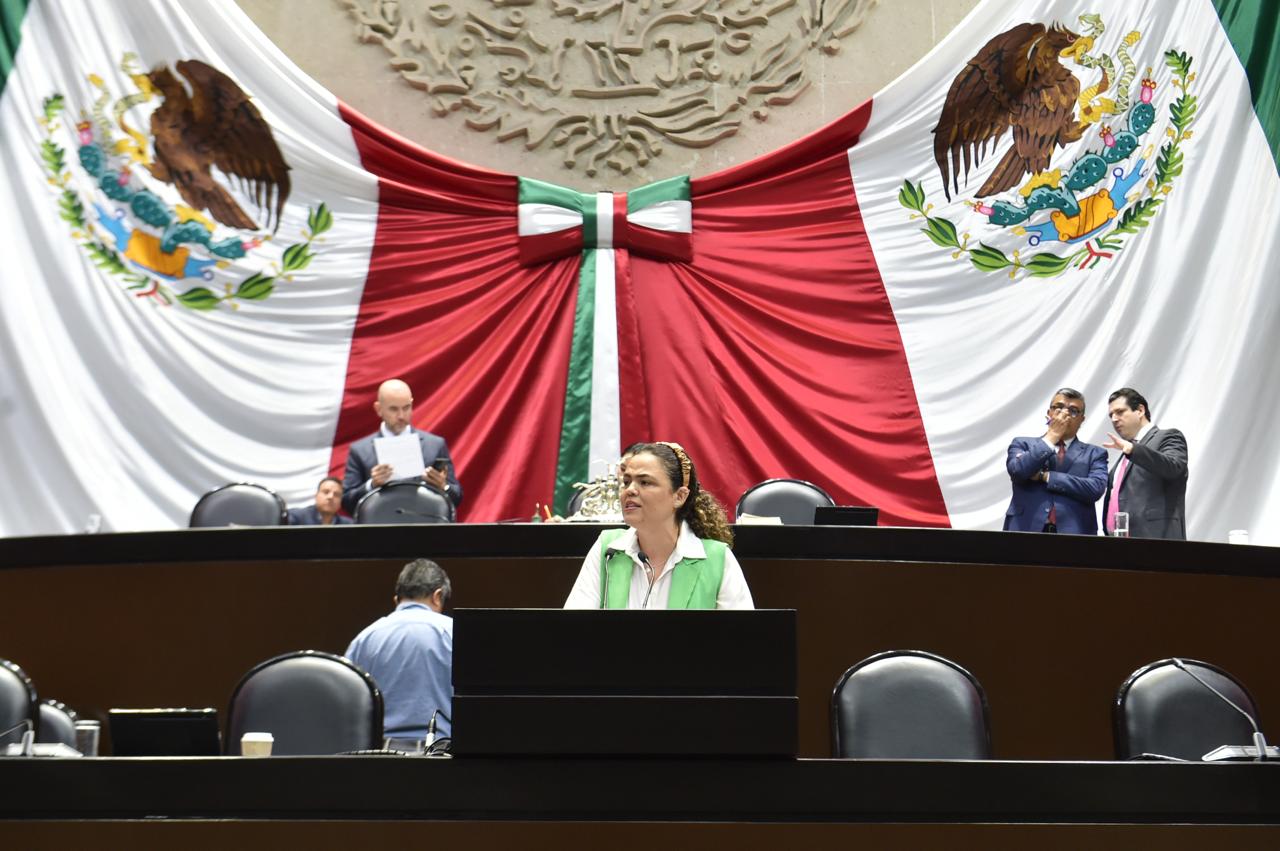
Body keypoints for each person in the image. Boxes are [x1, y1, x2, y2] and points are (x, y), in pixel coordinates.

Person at [564, 441, 754, 609]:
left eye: (645, 482)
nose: (630, 490)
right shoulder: (608, 550)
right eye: (626, 482)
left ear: (679, 496)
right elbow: (574, 627)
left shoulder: (717, 559)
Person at [344, 558, 453, 740]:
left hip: (378, 753)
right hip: (441, 751)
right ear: (437, 596)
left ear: (396, 600)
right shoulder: (454, 632)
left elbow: (348, 707)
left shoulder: (364, 639)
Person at [341, 379, 462, 516]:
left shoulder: (435, 445)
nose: (401, 416)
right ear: (379, 409)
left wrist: (443, 486)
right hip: (379, 524)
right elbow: (346, 503)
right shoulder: (360, 451)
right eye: (394, 409)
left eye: (406, 407)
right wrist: (372, 485)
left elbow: (456, 497)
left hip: (426, 523)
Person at [1004, 388, 1108, 534]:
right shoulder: (1022, 444)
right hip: (1025, 528)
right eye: (1058, 407)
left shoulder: (1095, 453)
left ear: (1082, 419)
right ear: (1049, 413)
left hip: (1075, 533)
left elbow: (1095, 489)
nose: (1064, 414)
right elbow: (1018, 471)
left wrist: (1046, 476)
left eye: (1073, 411)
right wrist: (1052, 436)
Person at [1102, 387, 1188, 539]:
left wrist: (1132, 449)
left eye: (1120, 412)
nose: (1114, 419)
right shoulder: (1126, 453)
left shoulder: (1168, 437)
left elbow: (1174, 467)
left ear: (1140, 410)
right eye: (1111, 415)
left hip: (1156, 540)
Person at [287, 477, 352, 525]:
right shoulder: (296, 517)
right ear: (316, 496)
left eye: (336, 494)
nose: (331, 497)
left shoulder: (349, 525)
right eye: (326, 492)